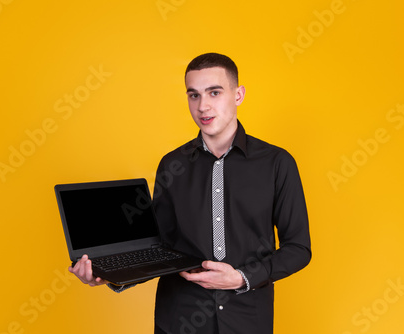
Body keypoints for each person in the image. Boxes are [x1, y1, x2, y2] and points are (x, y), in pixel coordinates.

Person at [69, 53, 311, 334]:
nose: (203, 106)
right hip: (179, 320)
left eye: (214, 92)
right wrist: (110, 274)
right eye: (193, 95)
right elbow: (160, 248)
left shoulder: (276, 163)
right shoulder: (172, 165)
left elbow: (298, 249)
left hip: (246, 321)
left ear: (238, 95)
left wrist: (241, 277)